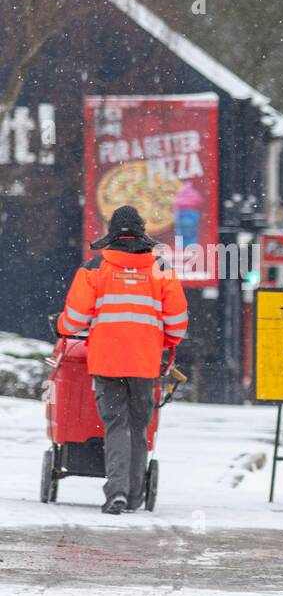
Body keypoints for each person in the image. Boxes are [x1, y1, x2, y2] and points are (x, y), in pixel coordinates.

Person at [57, 206, 189, 514]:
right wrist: (164, 342)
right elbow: (178, 323)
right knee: (139, 425)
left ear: (112, 233)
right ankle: (133, 496)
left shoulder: (94, 267)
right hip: (145, 362)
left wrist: (61, 327)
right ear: (142, 232)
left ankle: (115, 493)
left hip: (106, 361)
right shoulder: (161, 269)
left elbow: (74, 320)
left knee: (116, 424)